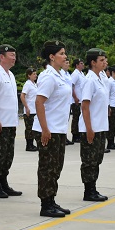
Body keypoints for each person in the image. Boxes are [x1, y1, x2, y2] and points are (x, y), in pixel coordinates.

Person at [33, 40, 74, 218]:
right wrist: (44, 129)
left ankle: (51, 199)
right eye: (62, 53)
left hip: (59, 128)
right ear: (52, 57)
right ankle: (45, 204)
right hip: (48, 128)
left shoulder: (62, 75)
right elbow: (39, 102)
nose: (65, 56)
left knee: (56, 166)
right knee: (47, 167)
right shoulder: (48, 76)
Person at [0, 44, 22, 198]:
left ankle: (4, 183)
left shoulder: (10, 74)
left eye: (15, 55)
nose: (14, 58)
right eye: (11, 55)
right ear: (2, 57)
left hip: (10, 123)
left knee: (8, 155)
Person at [79, 48, 109, 202]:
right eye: (102, 60)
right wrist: (89, 128)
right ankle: (88, 191)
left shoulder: (100, 78)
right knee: (89, 161)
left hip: (100, 126)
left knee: (97, 159)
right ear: (93, 63)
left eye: (105, 60)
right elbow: (84, 106)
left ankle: (93, 188)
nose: (105, 62)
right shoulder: (89, 80)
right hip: (91, 128)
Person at [20, 68, 38, 152]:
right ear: (29, 75)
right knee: (29, 128)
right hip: (30, 110)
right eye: (33, 74)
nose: (35, 75)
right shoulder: (27, 84)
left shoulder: (34, 84)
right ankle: (29, 145)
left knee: (34, 128)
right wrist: (26, 107)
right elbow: (22, 96)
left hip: (35, 110)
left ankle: (32, 143)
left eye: (36, 74)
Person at [69, 58, 85, 144]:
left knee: (80, 117)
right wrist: (75, 97)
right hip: (76, 100)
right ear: (77, 65)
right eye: (81, 63)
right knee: (76, 117)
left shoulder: (82, 74)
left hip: (81, 100)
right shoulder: (75, 74)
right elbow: (71, 86)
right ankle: (75, 135)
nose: (83, 65)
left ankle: (79, 133)